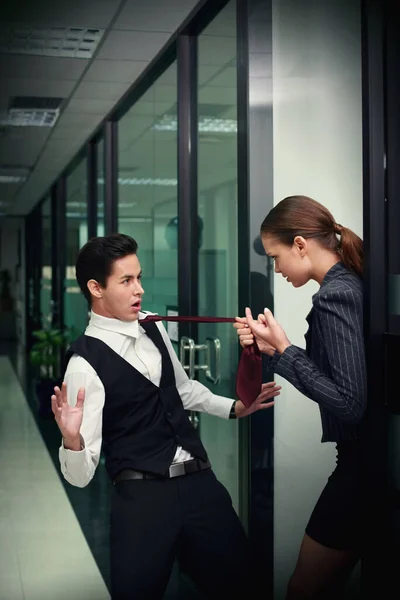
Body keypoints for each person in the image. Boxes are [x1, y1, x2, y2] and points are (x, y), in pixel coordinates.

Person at [51, 233, 280, 600]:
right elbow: (80, 477)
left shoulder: (151, 325)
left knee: (242, 584)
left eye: (139, 277)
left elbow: (183, 389)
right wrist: (72, 440)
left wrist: (236, 407)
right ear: (95, 287)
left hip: (199, 484)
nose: (138, 289)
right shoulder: (83, 365)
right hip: (142, 499)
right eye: (126, 281)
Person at [234, 196, 367, 599]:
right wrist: (274, 351)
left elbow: (349, 402)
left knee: (303, 589)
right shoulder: (351, 282)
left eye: (276, 257)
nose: (275, 269)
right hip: (367, 463)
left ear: (300, 245)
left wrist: (286, 350)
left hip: (361, 468)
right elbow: (342, 376)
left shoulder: (334, 295)